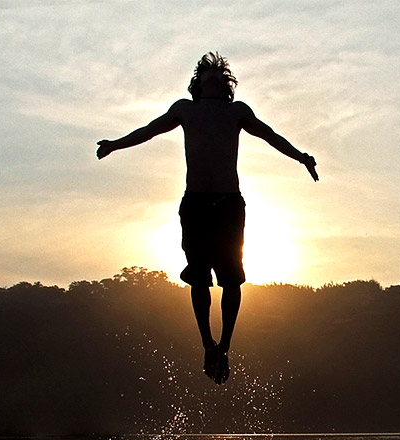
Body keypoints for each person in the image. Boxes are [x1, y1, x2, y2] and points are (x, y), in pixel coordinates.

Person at [96, 52, 318, 385]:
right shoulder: (185, 110)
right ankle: (207, 344)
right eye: (206, 74)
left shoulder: (237, 112)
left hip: (228, 204)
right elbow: (149, 130)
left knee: (232, 280)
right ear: (197, 82)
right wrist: (115, 144)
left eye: (219, 74)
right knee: (199, 279)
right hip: (196, 204)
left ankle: (225, 347)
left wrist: (301, 157)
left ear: (227, 84)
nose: (213, 77)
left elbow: (270, 135)